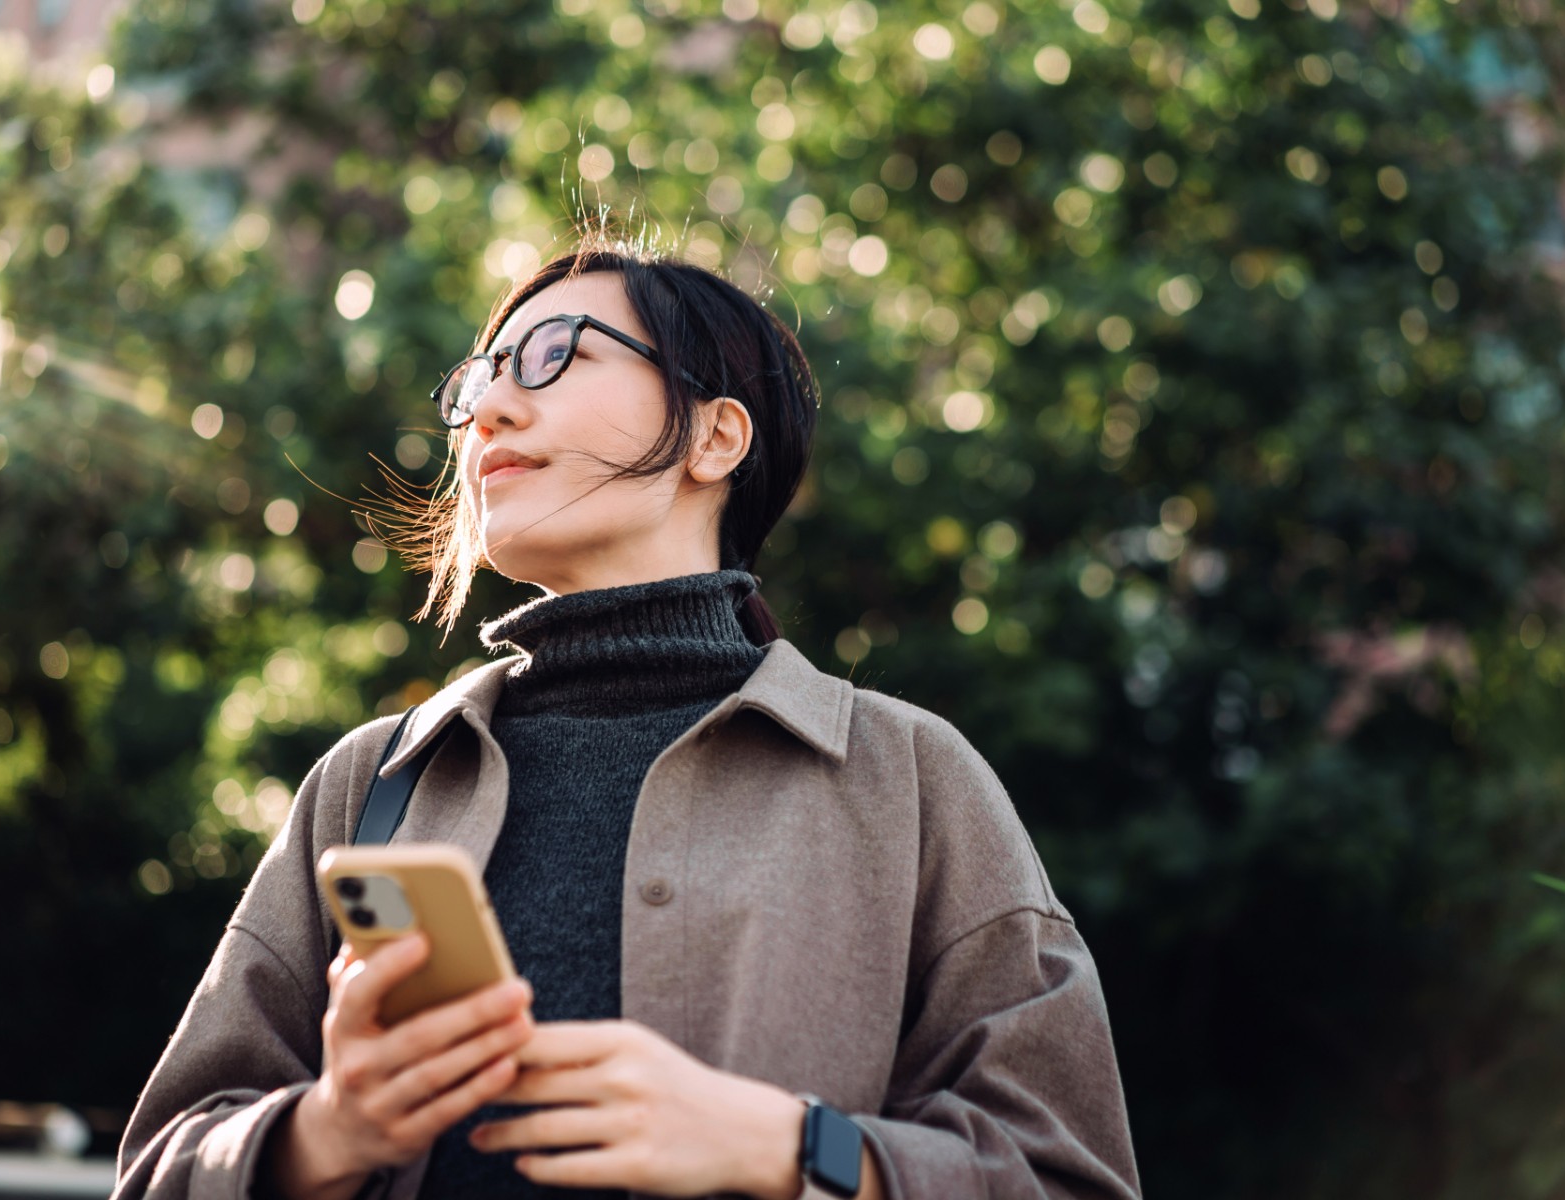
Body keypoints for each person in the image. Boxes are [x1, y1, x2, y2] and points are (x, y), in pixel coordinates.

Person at [112, 232, 1142, 1200]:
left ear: (714, 435)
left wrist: (785, 1147)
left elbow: (1065, 1173)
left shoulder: (910, 777)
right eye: (479, 380)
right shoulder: (370, 781)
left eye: (553, 355)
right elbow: (160, 1163)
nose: (486, 414)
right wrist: (328, 1133)